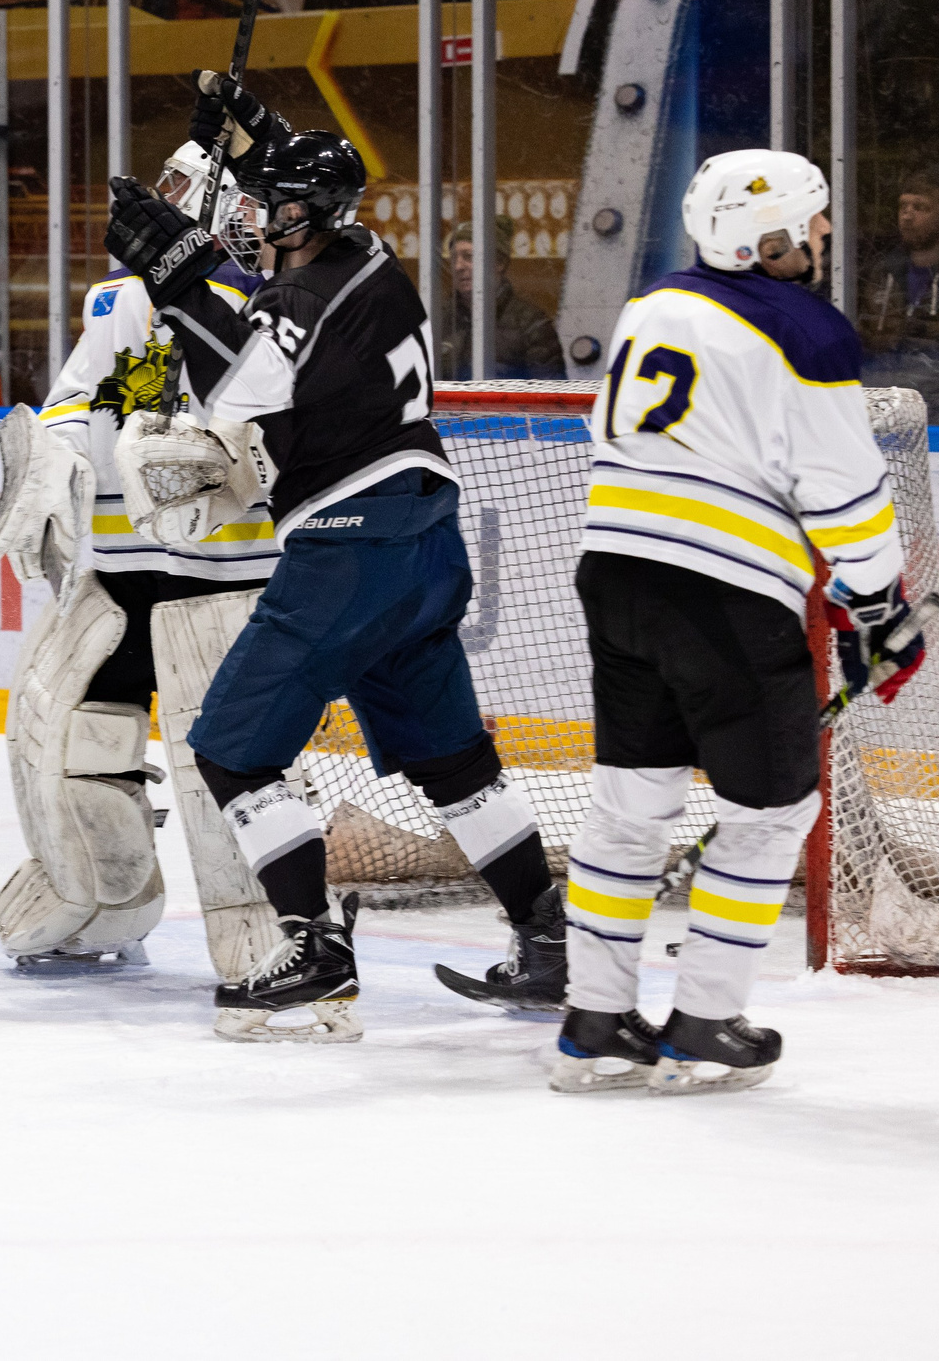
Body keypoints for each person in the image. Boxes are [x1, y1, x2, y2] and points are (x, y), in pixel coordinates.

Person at [101, 71, 564, 1042]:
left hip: (351, 549)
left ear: (304, 213)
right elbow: (292, 239)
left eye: (274, 203)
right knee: (453, 761)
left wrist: (178, 277)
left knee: (230, 748)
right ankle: (548, 935)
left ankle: (313, 947)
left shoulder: (301, 291)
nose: (260, 215)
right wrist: (252, 132)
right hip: (423, 545)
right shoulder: (366, 256)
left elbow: (236, 393)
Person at [557, 149, 923, 1094]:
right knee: (771, 811)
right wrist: (878, 603)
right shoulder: (803, 327)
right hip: (721, 594)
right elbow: (842, 487)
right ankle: (704, 1022)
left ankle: (596, 1020)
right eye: (814, 222)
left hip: (614, 572)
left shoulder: (653, 305)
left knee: (631, 802)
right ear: (770, 241)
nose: (825, 235)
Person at [0, 141, 280, 971]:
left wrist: (231, 460)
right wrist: (55, 453)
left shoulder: (272, 302)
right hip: (118, 571)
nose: (162, 199)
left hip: (223, 582)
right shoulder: (118, 298)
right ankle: (108, 901)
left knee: (226, 766)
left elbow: (288, 427)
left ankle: (264, 932)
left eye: (182, 186)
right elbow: (78, 395)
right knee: (75, 741)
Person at [436, 224, 566, 379]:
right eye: (453, 259)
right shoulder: (439, 319)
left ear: (499, 263)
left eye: (469, 256)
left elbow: (549, 388)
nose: (458, 266)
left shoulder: (530, 324)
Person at [857, 169, 939, 406]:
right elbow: (870, 333)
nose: (908, 215)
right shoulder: (884, 270)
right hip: (884, 379)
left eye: (920, 207)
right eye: (903, 206)